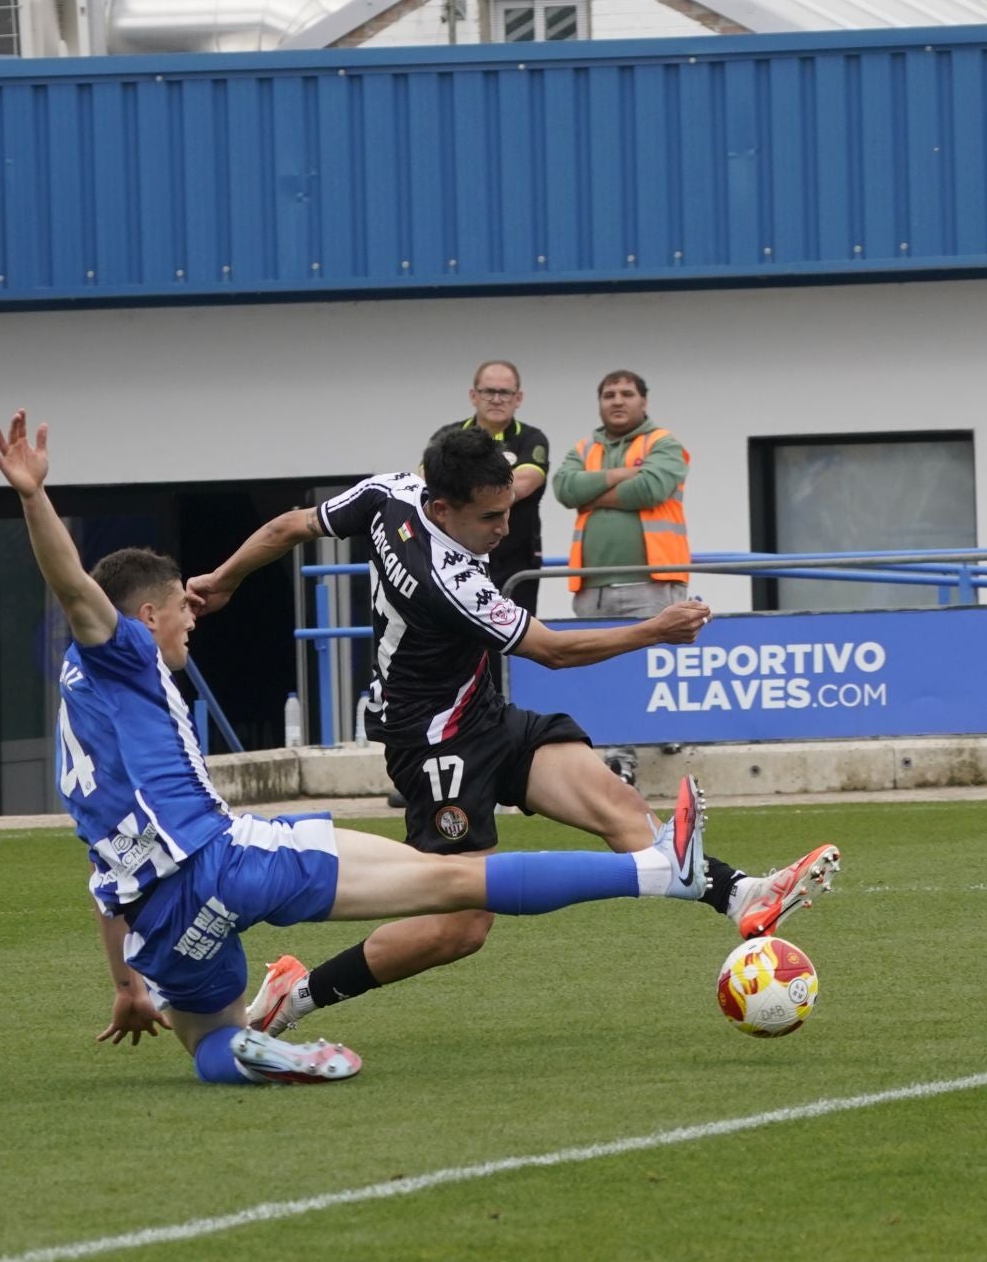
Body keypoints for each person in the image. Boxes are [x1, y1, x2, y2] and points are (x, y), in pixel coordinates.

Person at [0, 410, 709, 1086]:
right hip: (230, 860)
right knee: (456, 882)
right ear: (145, 616)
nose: (193, 617)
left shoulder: (79, 706)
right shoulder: (120, 647)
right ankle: (658, 870)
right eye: (183, 605)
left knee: (209, 1034)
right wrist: (33, 496)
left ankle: (248, 1050)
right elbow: (72, 583)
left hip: (158, 923)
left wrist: (126, 987)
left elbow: (104, 879)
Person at [187, 427, 838, 1036]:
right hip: (434, 743)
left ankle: (741, 894)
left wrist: (224, 578)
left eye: (507, 514)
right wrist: (654, 630)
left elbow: (290, 524)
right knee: (460, 926)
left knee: (615, 804)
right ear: (443, 510)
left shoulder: (392, 491)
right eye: (491, 519)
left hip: (484, 714)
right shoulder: (449, 580)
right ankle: (294, 994)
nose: (504, 530)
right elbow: (553, 651)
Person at [551, 369, 689, 788]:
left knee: (651, 669)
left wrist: (592, 492)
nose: (617, 400)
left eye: (627, 393)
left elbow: (651, 489)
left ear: (643, 401)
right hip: (591, 585)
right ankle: (620, 752)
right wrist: (624, 475)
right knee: (605, 672)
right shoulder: (584, 447)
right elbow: (564, 489)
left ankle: (656, 735)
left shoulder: (664, 443)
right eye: (609, 394)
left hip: (651, 579)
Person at [443, 360, 550, 617]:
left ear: (518, 398)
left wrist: (460, 487)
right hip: (459, 556)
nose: (496, 399)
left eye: (504, 393)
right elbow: (428, 481)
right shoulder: (448, 436)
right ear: (474, 396)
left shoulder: (532, 439)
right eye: (488, 391)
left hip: (517, 562)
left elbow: (523, 485)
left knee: (516, 639)